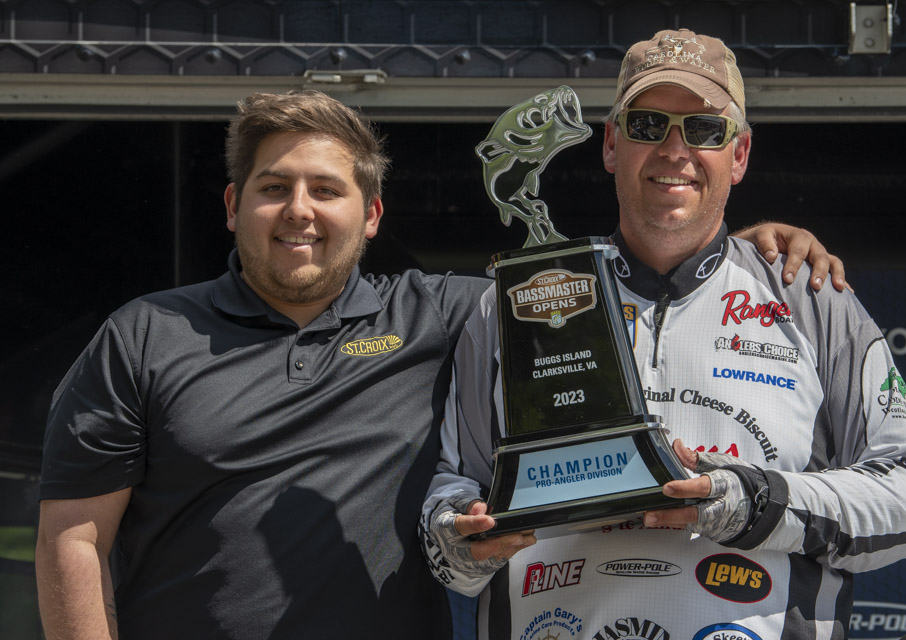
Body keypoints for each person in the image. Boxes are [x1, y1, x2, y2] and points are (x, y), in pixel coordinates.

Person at [34, 89, 842, 640]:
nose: (299, 211)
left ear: (371, 214)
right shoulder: (146, 335)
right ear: (232, 205)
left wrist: (736, 251)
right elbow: (73, 538)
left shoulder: (446, 315)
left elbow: (593, 286)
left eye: (326, 190)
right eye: (273, 187)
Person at [420, 29, 906, 640]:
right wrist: (460, 540)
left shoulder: (812, 301)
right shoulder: (515, 303)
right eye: (648, 126)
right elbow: (451, 491)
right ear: (611, 145)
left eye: (703, 129)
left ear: (739, 154)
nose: (675, 150)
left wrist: (752, 502)